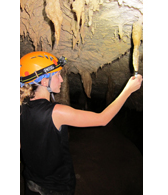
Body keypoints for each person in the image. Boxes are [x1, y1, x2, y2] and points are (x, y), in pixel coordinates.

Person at [20, 51, 143, 195]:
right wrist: (128, 90)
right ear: (44, 81)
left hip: (32, 184)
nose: (61, 79)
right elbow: (102, 119)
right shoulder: (57, 112)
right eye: (57, 75)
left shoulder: (20, 108)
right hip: (57, 188)